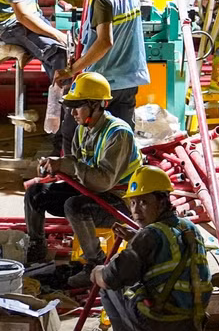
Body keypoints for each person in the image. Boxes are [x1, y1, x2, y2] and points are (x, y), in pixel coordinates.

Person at [25, 72, 141, 284]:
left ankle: (94, 264)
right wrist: (54, 166)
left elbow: (103, 181)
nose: (71, 112)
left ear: (96, 105)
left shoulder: (118, 133)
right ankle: (36, 247)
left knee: (75, 206)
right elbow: (77, 165)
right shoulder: (83, 129)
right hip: (94, 191)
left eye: (77, 106)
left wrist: (66, 165)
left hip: (122, 202)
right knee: (35, 193)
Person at [92, 165, 212, 331]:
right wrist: (135, 238)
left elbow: (112, 278)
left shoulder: (149, 236)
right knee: (170, 288)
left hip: (157, 327)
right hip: (192, 326)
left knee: (108, 287)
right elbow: (167, 253)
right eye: (133, 202)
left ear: (163, 201)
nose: (136, 210)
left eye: (144, 202)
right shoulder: (189, 228)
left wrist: (95, 273)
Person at [55, 0, 150, 149]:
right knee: (122, 140)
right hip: (129, 79)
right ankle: (120, 179)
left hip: (102, 84)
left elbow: (105, 42)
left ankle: (73, 180)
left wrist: (72, 69)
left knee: (74, 137)